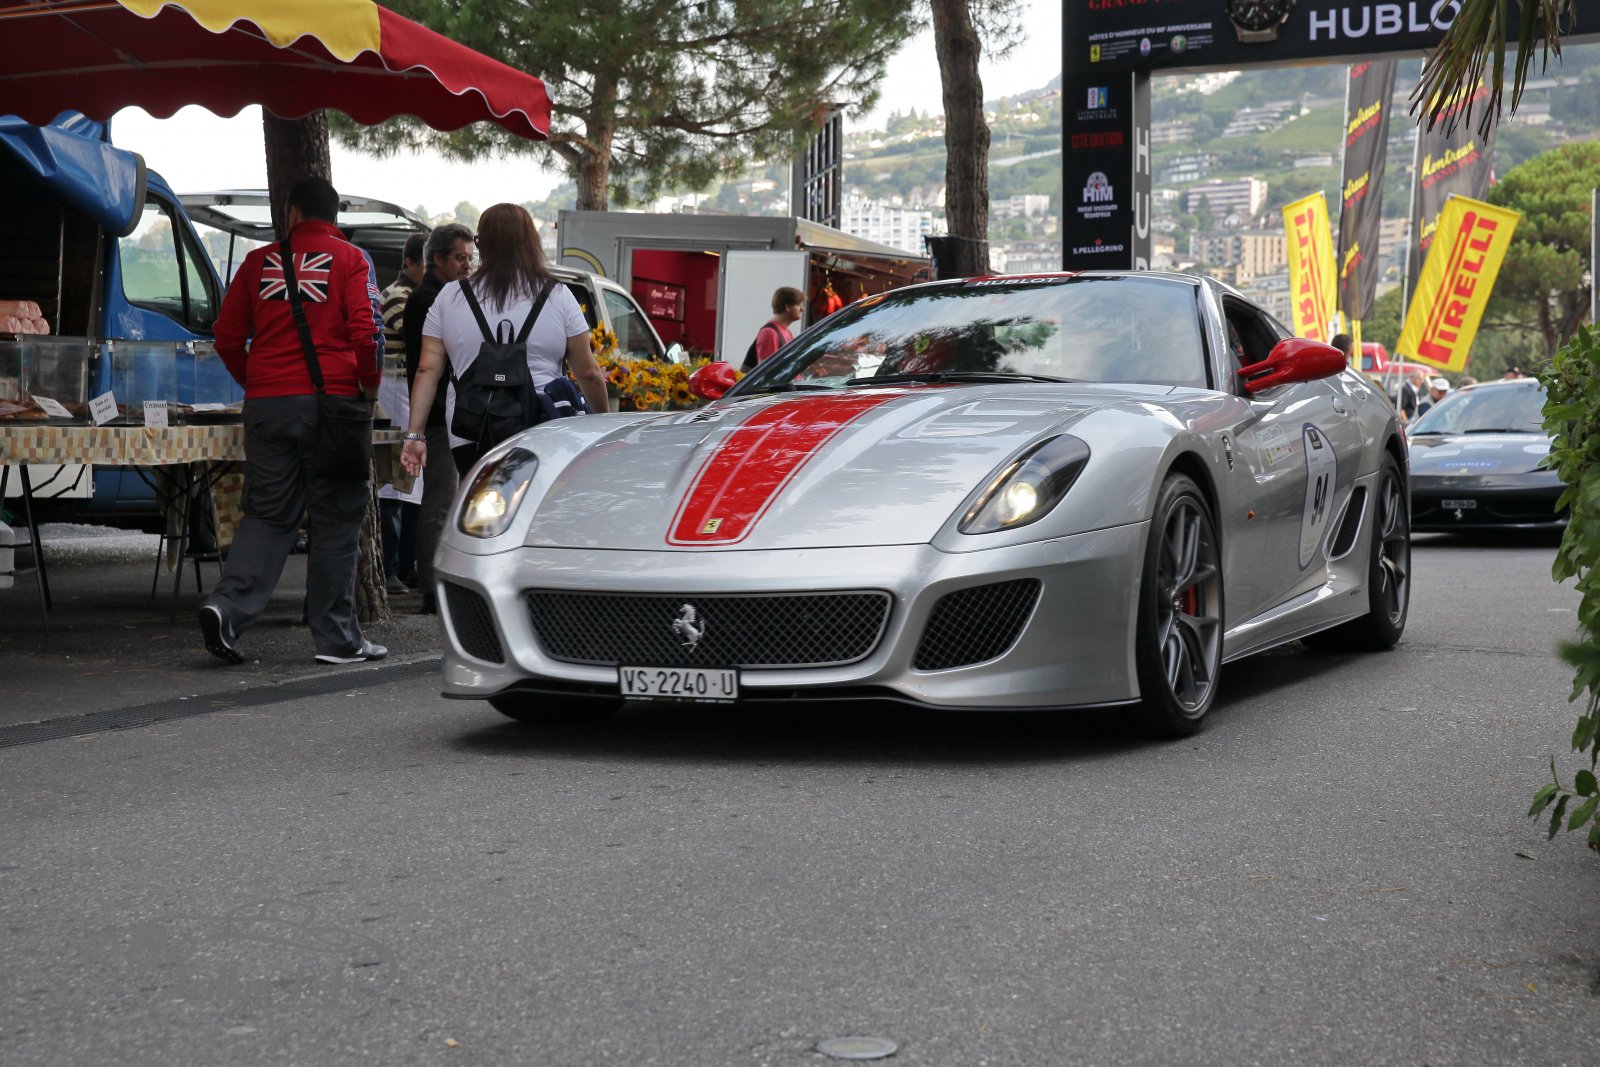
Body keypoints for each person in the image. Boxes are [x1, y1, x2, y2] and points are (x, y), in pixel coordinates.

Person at [199, 176, 387, 666]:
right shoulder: (351, 260)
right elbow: (367, 333)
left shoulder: (256, 262)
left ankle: (227, 608)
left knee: (267, 515)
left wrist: (258, 381)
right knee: (336, 519)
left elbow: (226, 337)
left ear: (292, 212)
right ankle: (337, 639)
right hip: (333, 407)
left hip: (267, 405)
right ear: (334, 216)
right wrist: (368, 389)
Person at [402, 203, 608, 481]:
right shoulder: (558, 295)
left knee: (479, 504)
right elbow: (588, 373)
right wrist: (603, 426)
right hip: (543, 428)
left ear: (482, 244)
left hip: (471, 431)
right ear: (532, 242)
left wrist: (415, 435)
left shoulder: (450, 296)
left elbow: (427, 370)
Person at [403, 222, 474, 614]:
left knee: (446, 501)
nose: (467, 266)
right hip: (438, 416)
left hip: (446, 412)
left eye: (470, 258)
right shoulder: (428, 299)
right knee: (439, 502)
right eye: (460, 258)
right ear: (437, 259)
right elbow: (432, 366)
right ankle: (431, 589)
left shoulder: (442, 295)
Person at [376, 232, 426, 595]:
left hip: (408, 395)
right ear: (408, 263)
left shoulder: (416, 295)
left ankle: (407, 565)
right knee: (394, 486)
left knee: (412, 487)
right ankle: (390, 566)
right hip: (394, 393)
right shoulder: (397, 297)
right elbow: (421, 338)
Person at [747, 286, 805, 367]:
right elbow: (767, 370)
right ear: (787, 307)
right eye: (798, 305)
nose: (802, 309)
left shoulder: (786, 332)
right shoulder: (770, 333)